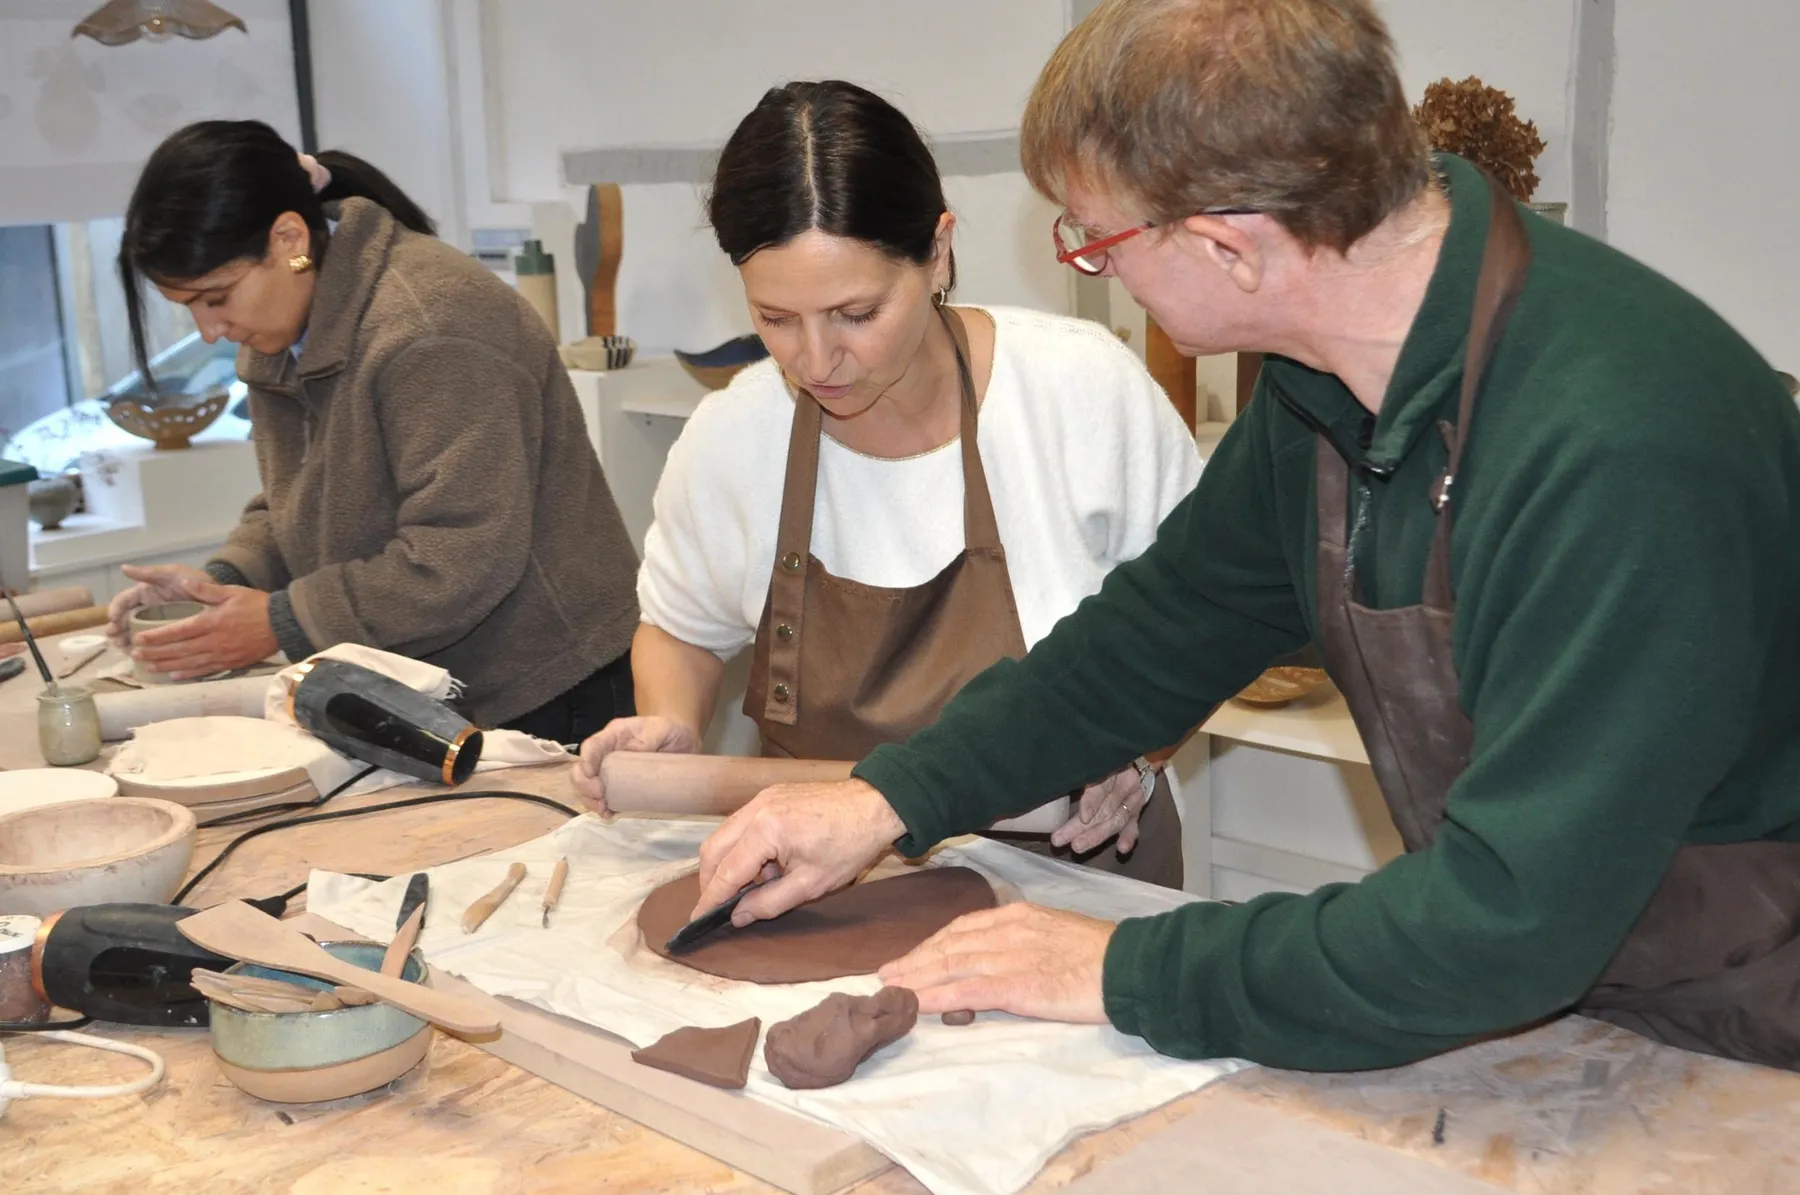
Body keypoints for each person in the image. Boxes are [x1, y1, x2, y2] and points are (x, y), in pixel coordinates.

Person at [690, 0, 1800, 1074]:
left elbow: (1509, 915)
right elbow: (1148, 642)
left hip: (1747, 1017)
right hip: (1558, 988)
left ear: (1230, 247)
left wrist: (1128, 967)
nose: (1096, 267)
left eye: (1096, 240)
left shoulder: (1613, 441)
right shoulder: (1324, 386)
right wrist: (889, 798)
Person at [570, 81, 1203, 887]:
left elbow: (1201, 625)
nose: (815, 359)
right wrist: (669, 723)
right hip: (823, 893)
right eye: (775, 319)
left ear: (937, 252)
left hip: (1072, 881)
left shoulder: (1080, 393)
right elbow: (682, 629)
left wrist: (1140, 751)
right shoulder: (736, 436)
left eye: (856, 314)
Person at [106, 120, 639, 741]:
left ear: (288, 238)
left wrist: (278, 621)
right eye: (190, 306)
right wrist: (226, 584)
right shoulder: (283, 331)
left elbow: (460, 555)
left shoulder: (430, 326)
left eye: (216, 297)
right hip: (423, 682)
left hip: (546, 686)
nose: (208, 331)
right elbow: (297, 502)